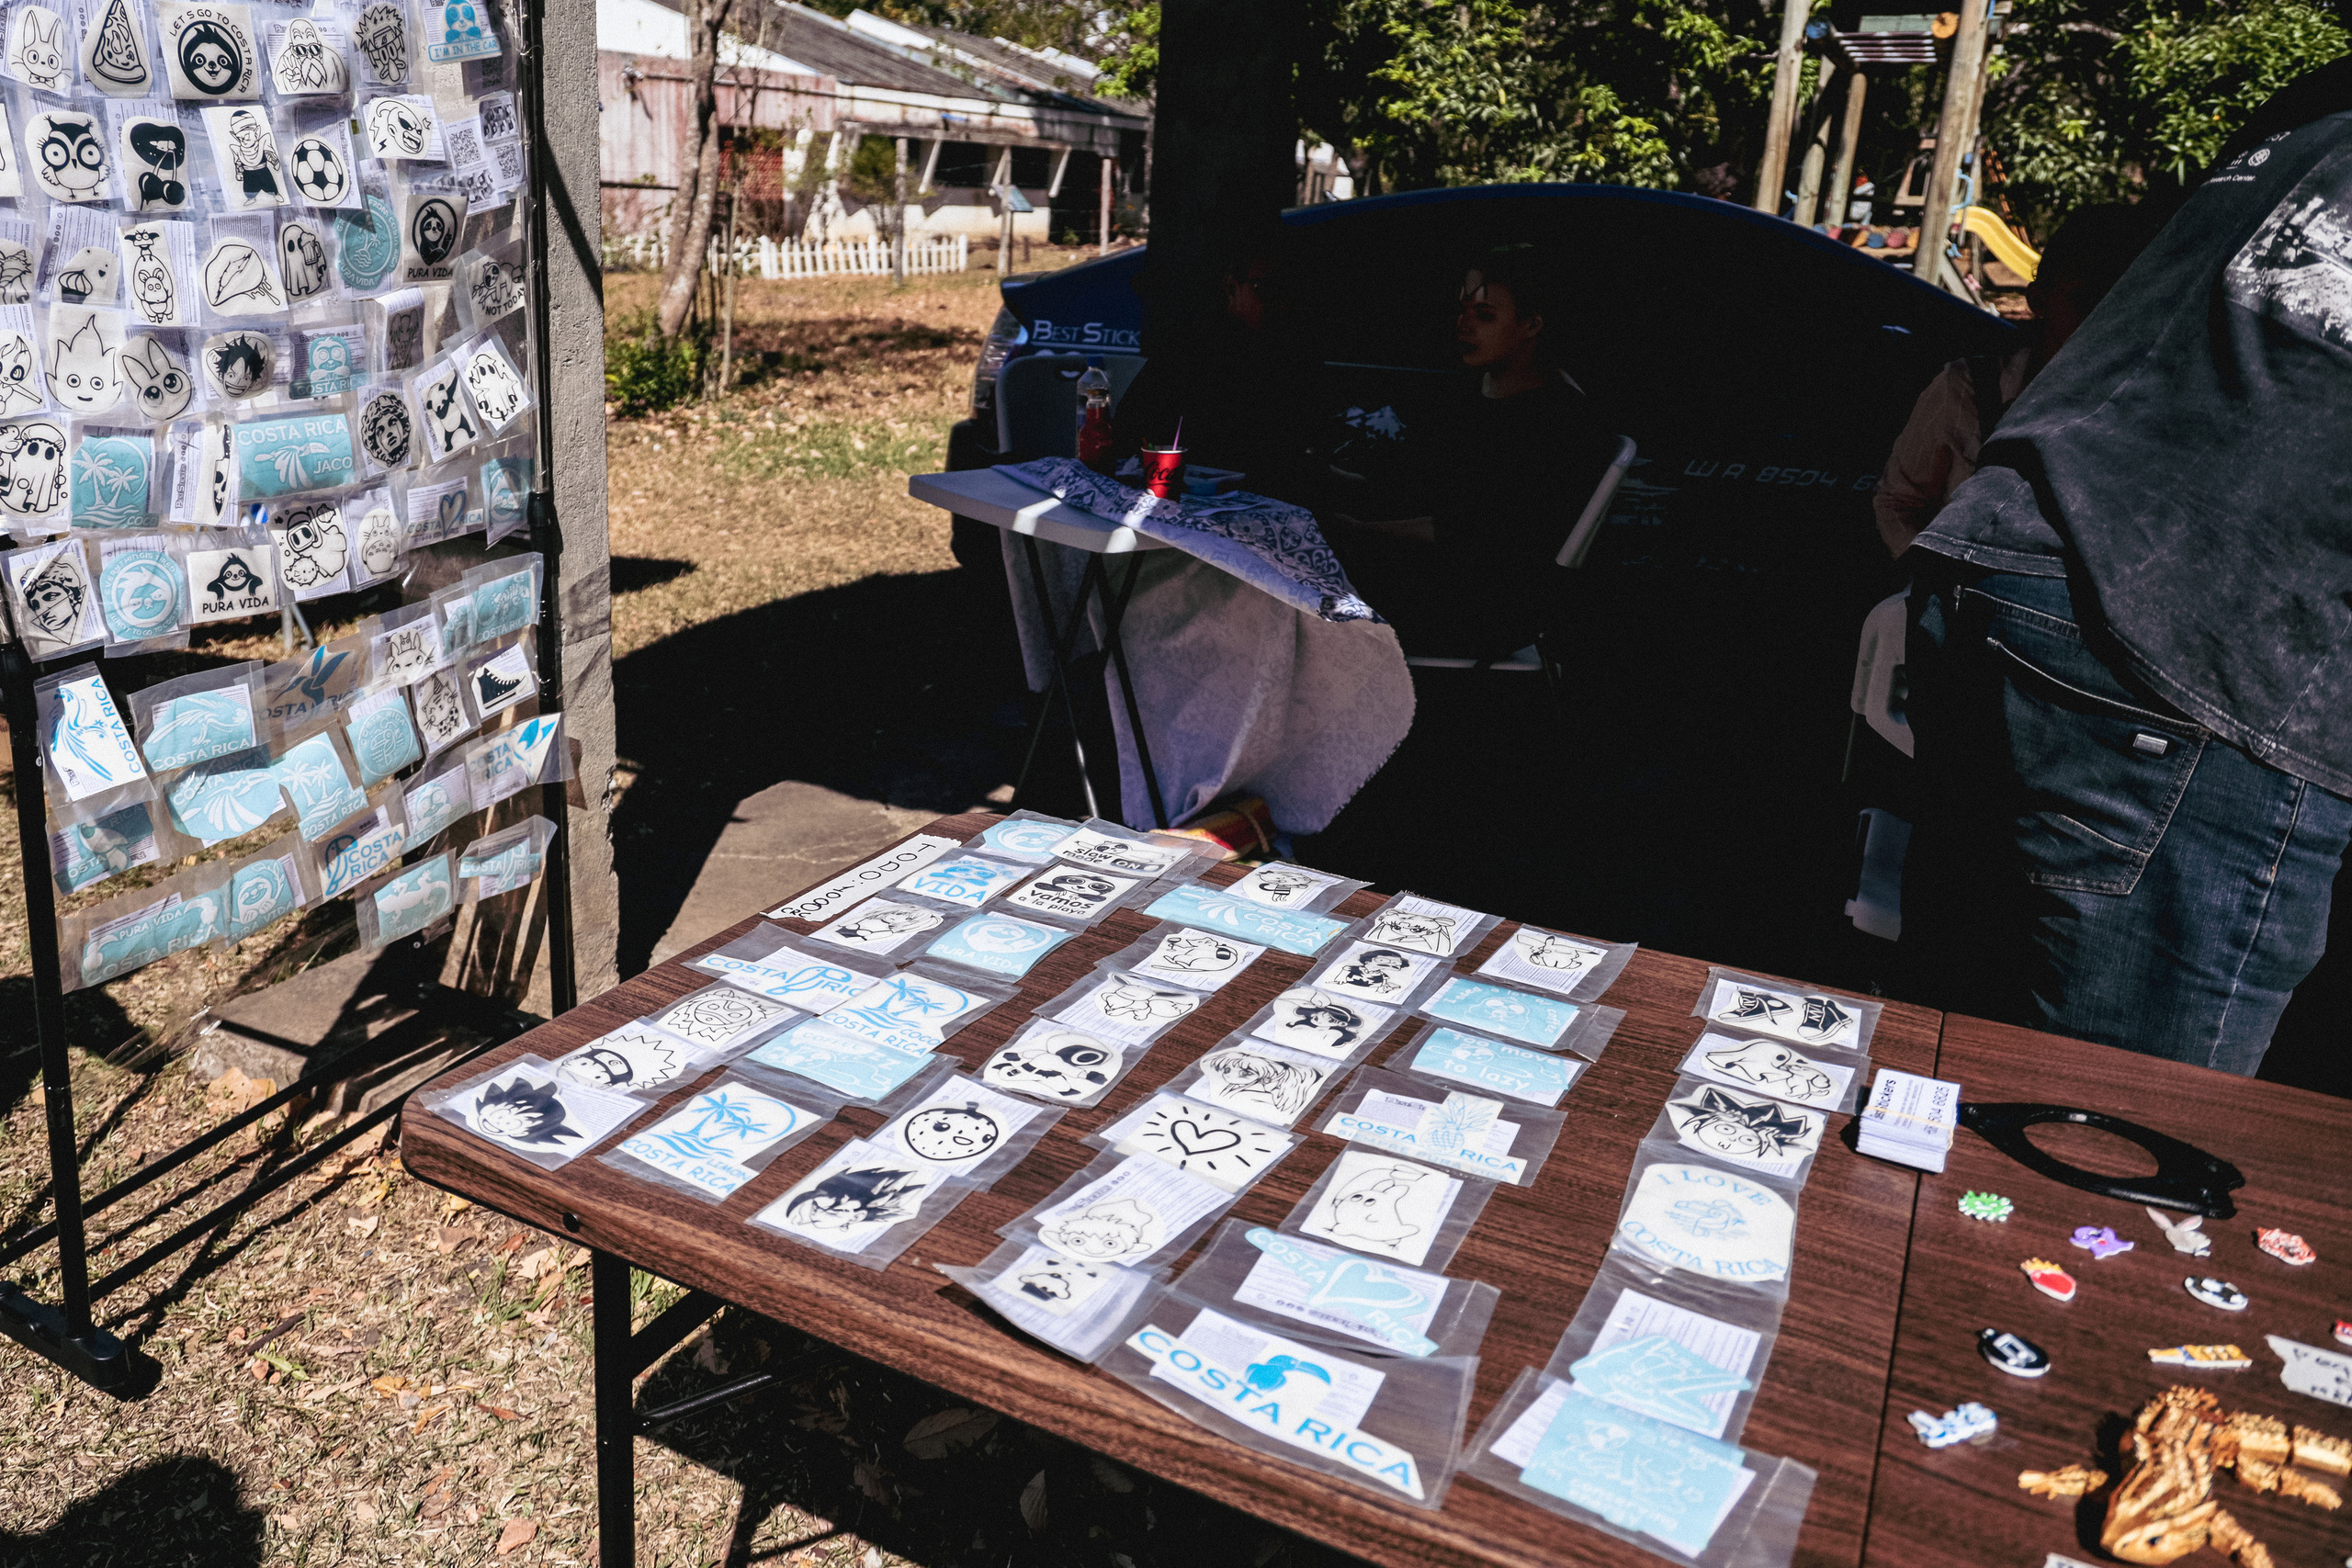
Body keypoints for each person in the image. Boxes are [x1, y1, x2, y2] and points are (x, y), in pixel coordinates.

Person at [1900, 58, 2352, 1076]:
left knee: (1955, 1066)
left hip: (2020, 560)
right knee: (2114, 1120)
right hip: (2192, 643)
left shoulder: (2313, 106)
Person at [1322, 243, 1623, 659]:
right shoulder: (1471, 393)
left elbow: (1478, 534)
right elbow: (1421, 484)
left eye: (1484, 315)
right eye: (1462, 310)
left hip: (1485, 606)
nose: (1464, 325)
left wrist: (1360, 529)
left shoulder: (1559, 420)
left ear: (1531, 325)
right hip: (1440, 577)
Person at [1872, 203, 2153, 556]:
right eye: (2085, 298)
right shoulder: (1969, 391)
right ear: (2039, 301)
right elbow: (1898, 502)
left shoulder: (2148, 404)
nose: (2104, 315)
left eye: (2121, 299)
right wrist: (1932, 573)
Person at [1110, 225, 1324, 500]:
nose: (1282, 304)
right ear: (1231, 288)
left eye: (1290, 290)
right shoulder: (1190, 351)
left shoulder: (1294, 351)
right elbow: (1130, 433)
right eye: (1267, 289)